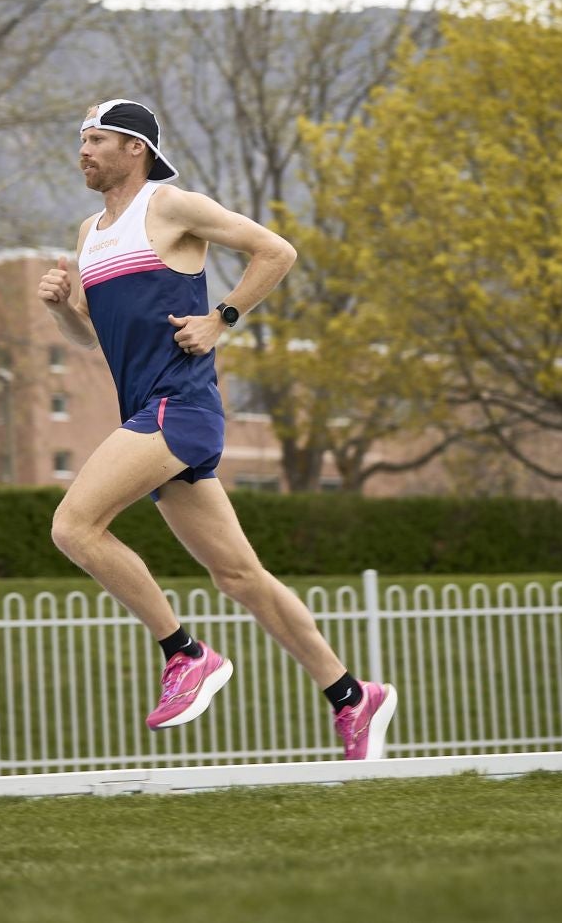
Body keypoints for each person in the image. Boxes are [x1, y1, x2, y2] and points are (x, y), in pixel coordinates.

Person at [37, 98, 398, 760]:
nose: (83, 151)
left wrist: (221, 319)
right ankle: (351, 694)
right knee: (239, 576)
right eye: (81, 140)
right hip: (148, 415)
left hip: (179, 408)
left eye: (96, 139)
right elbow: (92, 338)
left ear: (135, 148)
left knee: (73, 526)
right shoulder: (90, 232)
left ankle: (185, 654)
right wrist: (65, 310)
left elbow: (275, 251)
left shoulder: (171, 206)